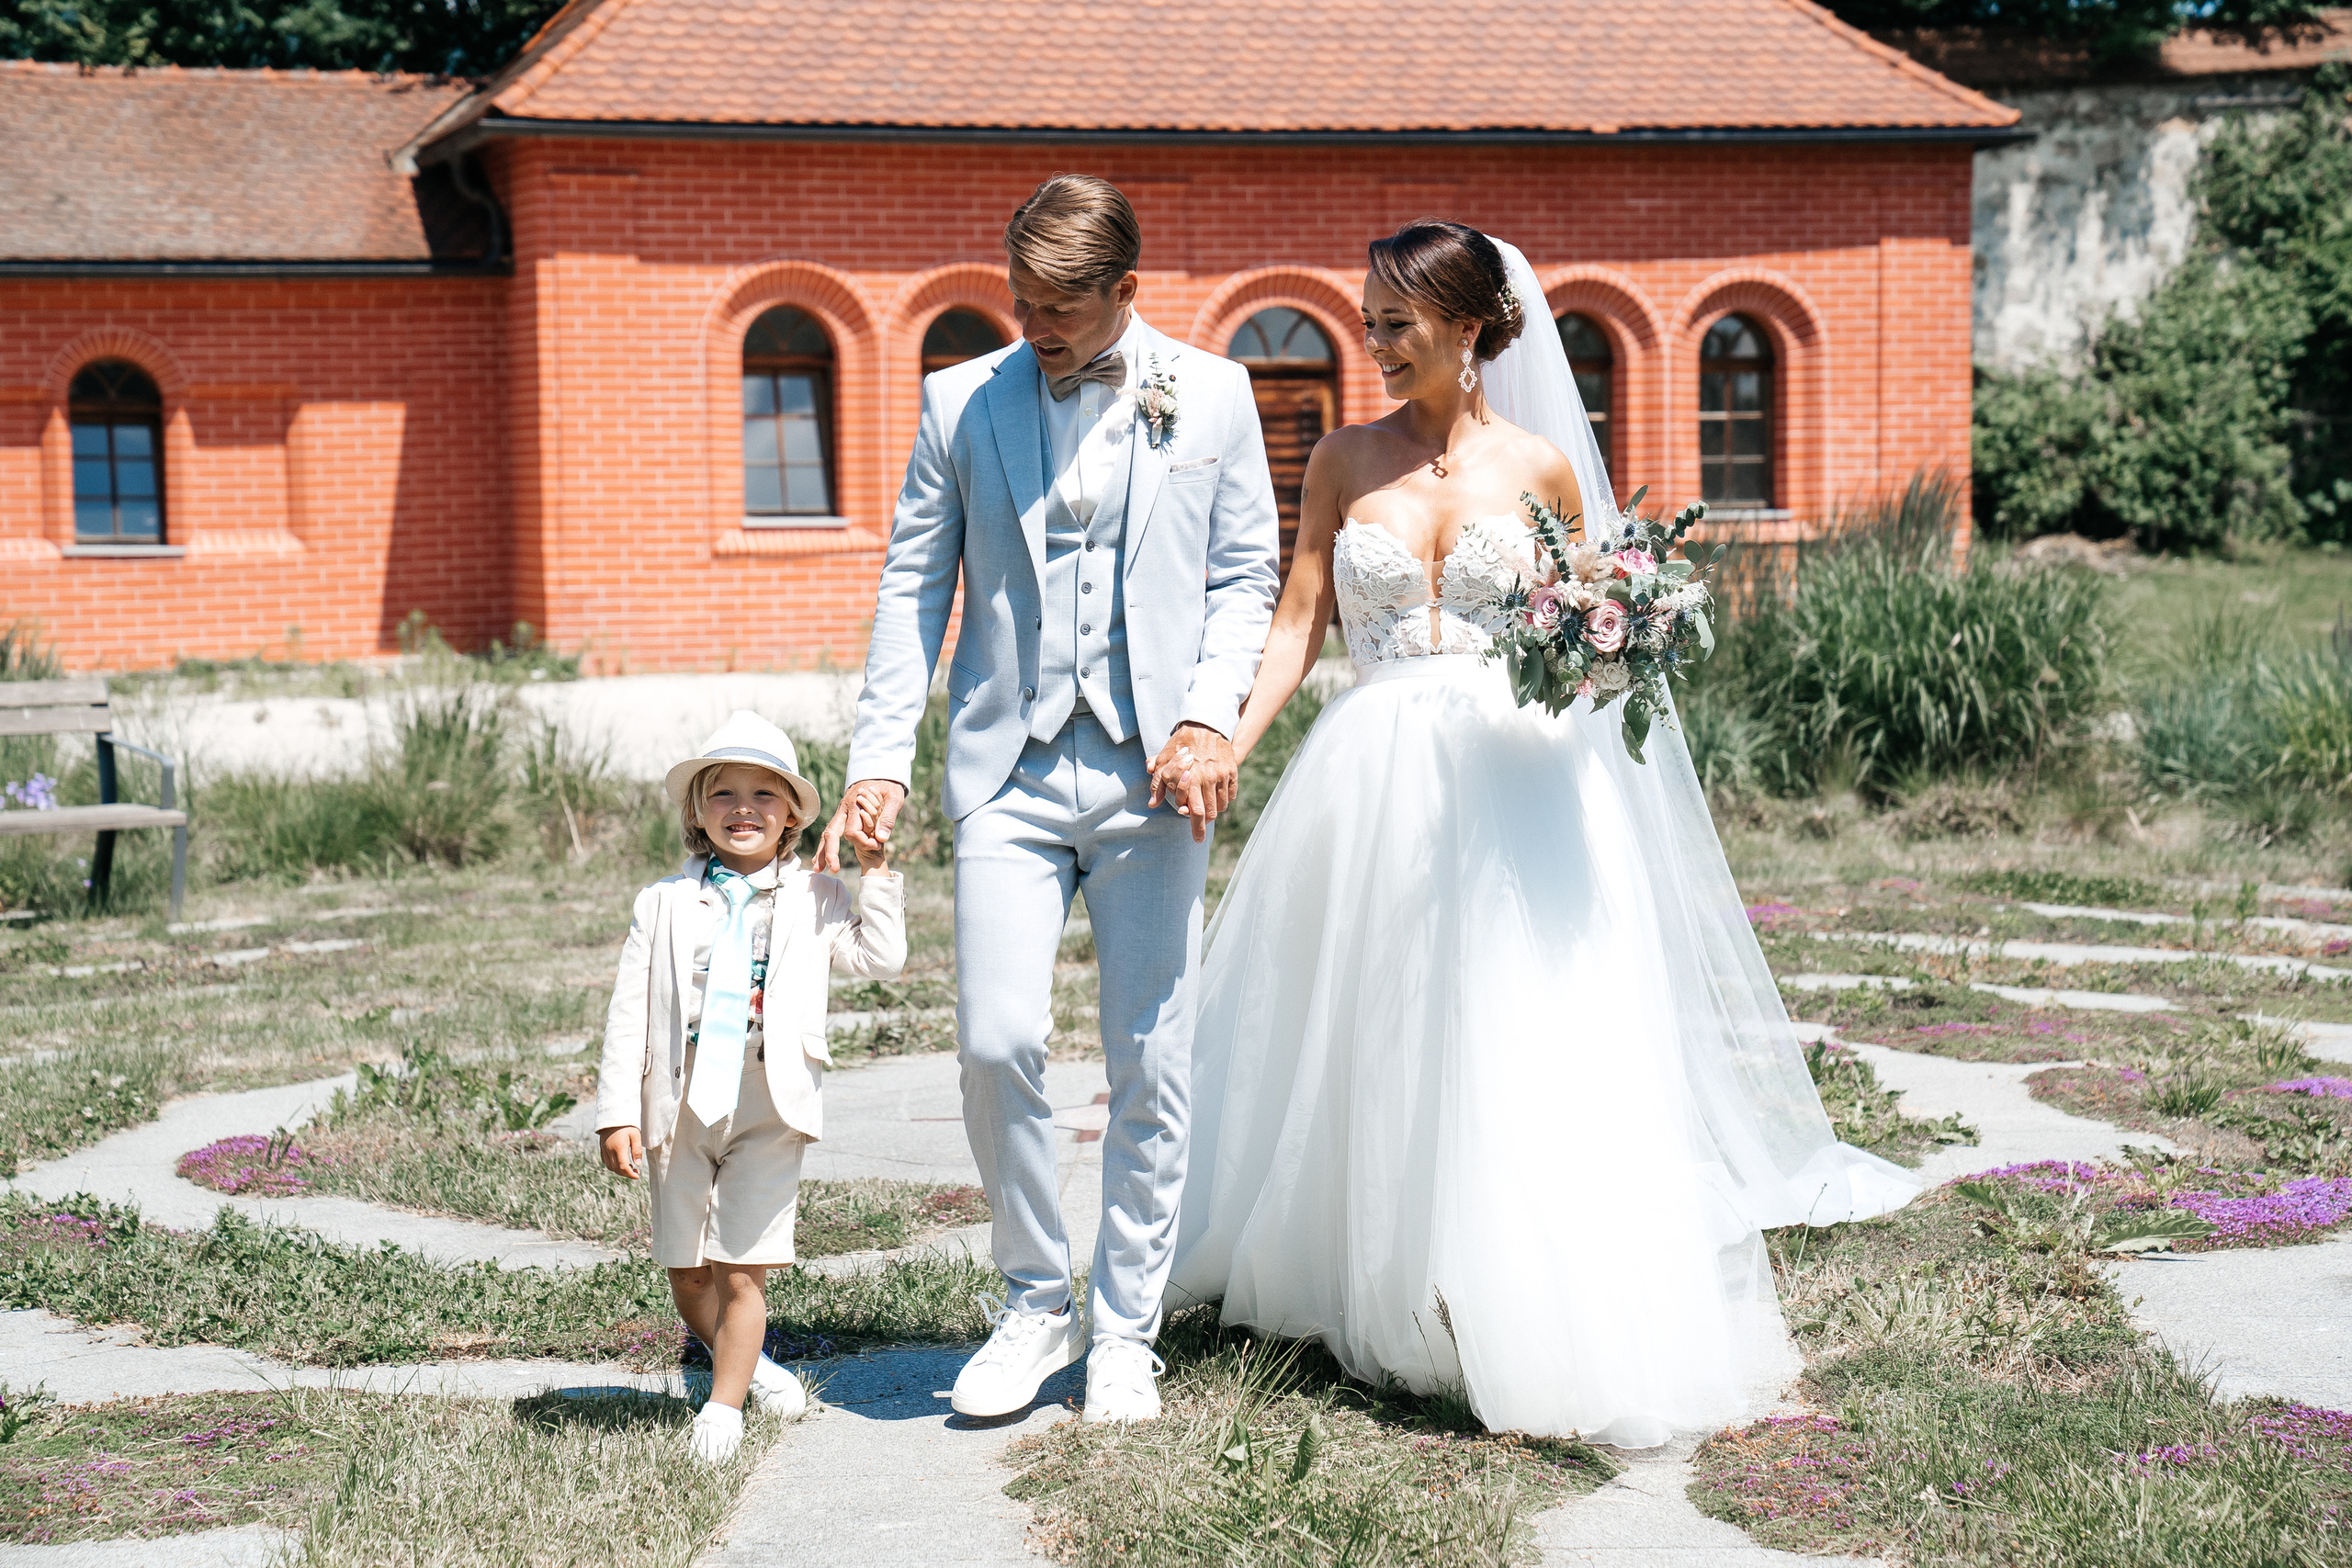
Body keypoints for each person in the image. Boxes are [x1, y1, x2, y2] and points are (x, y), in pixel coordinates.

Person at [1167, 223, 1921, 1449]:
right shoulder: (1340, 460)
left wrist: (1615, 648)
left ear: (1471, 329)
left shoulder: (1546, 470)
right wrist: (1227, 743)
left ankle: (1513, 1286)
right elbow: (1298, 619)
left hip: (1515, 774)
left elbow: (1592, 624)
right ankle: (1373, 1269)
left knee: (1513, 1026)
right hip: (1369, 769)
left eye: (1398, 321)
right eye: (1370, 318)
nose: (1377, 339)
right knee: (1373, 1020)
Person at [820, 175, 1280, 1423]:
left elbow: (1246, 576)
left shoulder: (1216, 395)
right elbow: (914, 589)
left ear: (1129, 288)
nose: (1036, 327)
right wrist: (879, 757)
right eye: (1021, 301)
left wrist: (1207, 714)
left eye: (1063, 309)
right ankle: (1034, 1298)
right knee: (996, 1041)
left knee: (1151, 1062)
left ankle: (1126, 1328)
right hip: (1007, 772)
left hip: (1152, 775)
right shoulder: (960, 400)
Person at [597, 711, 905, 1462]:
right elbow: (628, 1011)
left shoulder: (816, 896)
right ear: (698, 812)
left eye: (765, 795)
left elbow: (883, 957)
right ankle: (755, 1365)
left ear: (793, 814)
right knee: (686, 1267)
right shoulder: (663, 902)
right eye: (724, 794)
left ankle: (722, 1410)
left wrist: (874, 872)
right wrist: (615, 1113)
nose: (744, 808)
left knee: (742, 1264)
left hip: (772, 1099)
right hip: (678, 1101)